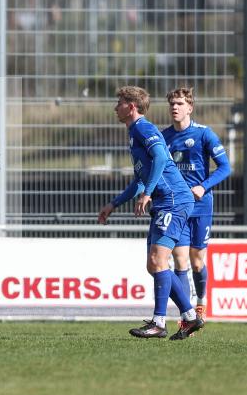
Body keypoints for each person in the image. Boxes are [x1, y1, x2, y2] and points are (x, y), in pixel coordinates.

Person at [97, 86, 204, 340]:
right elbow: (139, 180)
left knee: (158, 261)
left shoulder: (143, 128)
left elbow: (158, 157)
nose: (116, 107)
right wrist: (114, 204)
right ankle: (189, 317)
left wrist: (148, 193)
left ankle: (159, 323)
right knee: (154, 264)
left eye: (120, 102)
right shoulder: (134, 133)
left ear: (131, 107)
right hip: (166, 200)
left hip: (173, 200)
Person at [162, 88, 231, 323]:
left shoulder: (204, 134)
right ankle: (187, 314)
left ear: (190, 107)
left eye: (180, 103)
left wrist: (203, 186)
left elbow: (225, 167)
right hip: (178, 206)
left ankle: (201, 300)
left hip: (201, 206)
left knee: (197, 260)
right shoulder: (164, 137)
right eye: (172, 103)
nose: (175, 107)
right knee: (180, 259)